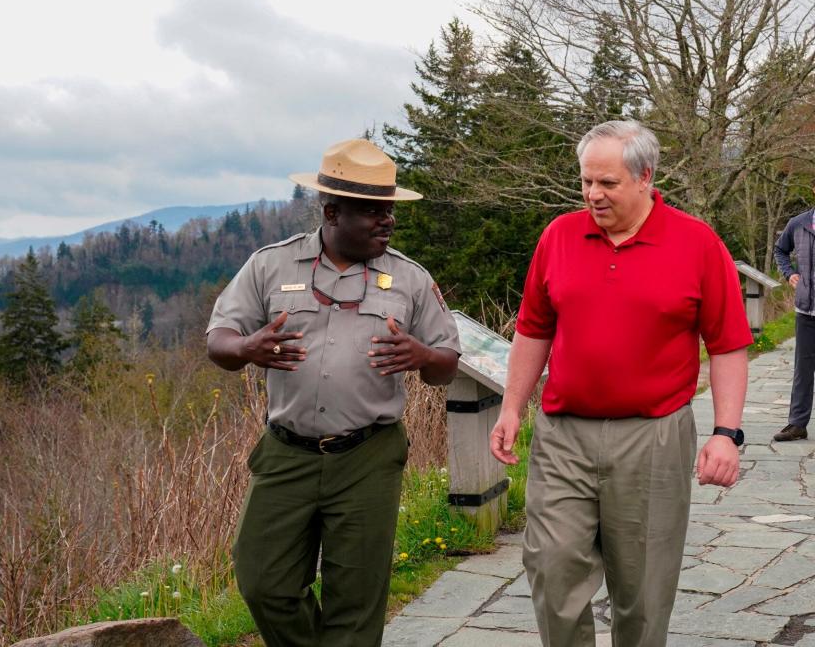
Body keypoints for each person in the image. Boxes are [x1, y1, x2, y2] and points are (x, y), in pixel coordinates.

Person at [489, 120, 752, 647]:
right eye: (586, 181)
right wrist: (511, 407)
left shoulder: (696, 243)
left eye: (606, 183)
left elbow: (727, 344)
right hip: (564, 433)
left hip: (653, 436)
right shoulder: (559, 236)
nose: (593, 194)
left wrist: (727, 432)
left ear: (644, 177)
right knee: (551, 565)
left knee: (644, 588)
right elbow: (533, 329)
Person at [206, 138, 460, 647]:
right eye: (372, 212)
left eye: (389, 210)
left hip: (368, 455)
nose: (386, 221)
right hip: (286, 454)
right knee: (264, 582)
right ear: (331, 211)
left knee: (356, 599)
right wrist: (249, 346)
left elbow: (446, 364)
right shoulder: (270, 266)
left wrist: (423, 357)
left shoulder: (410, 278)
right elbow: (219, 341)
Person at [772, 200, 815, 441]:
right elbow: (780, 249)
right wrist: (789, 273)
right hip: (807, 310)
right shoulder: (798, 224)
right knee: (803, 370)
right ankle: (798, 424)